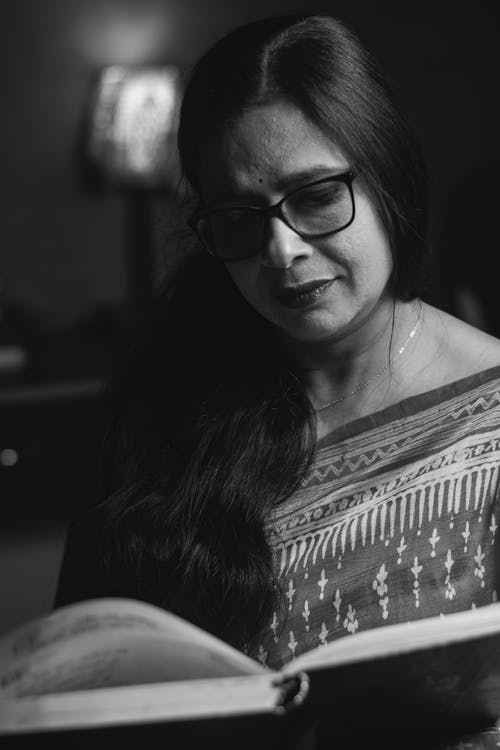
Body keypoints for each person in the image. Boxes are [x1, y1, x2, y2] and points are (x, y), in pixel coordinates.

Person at [56, 12, 500, 745]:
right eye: (238, 217)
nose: (281, 249)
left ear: (387, 174)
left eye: (317, 196)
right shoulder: (163, 413)